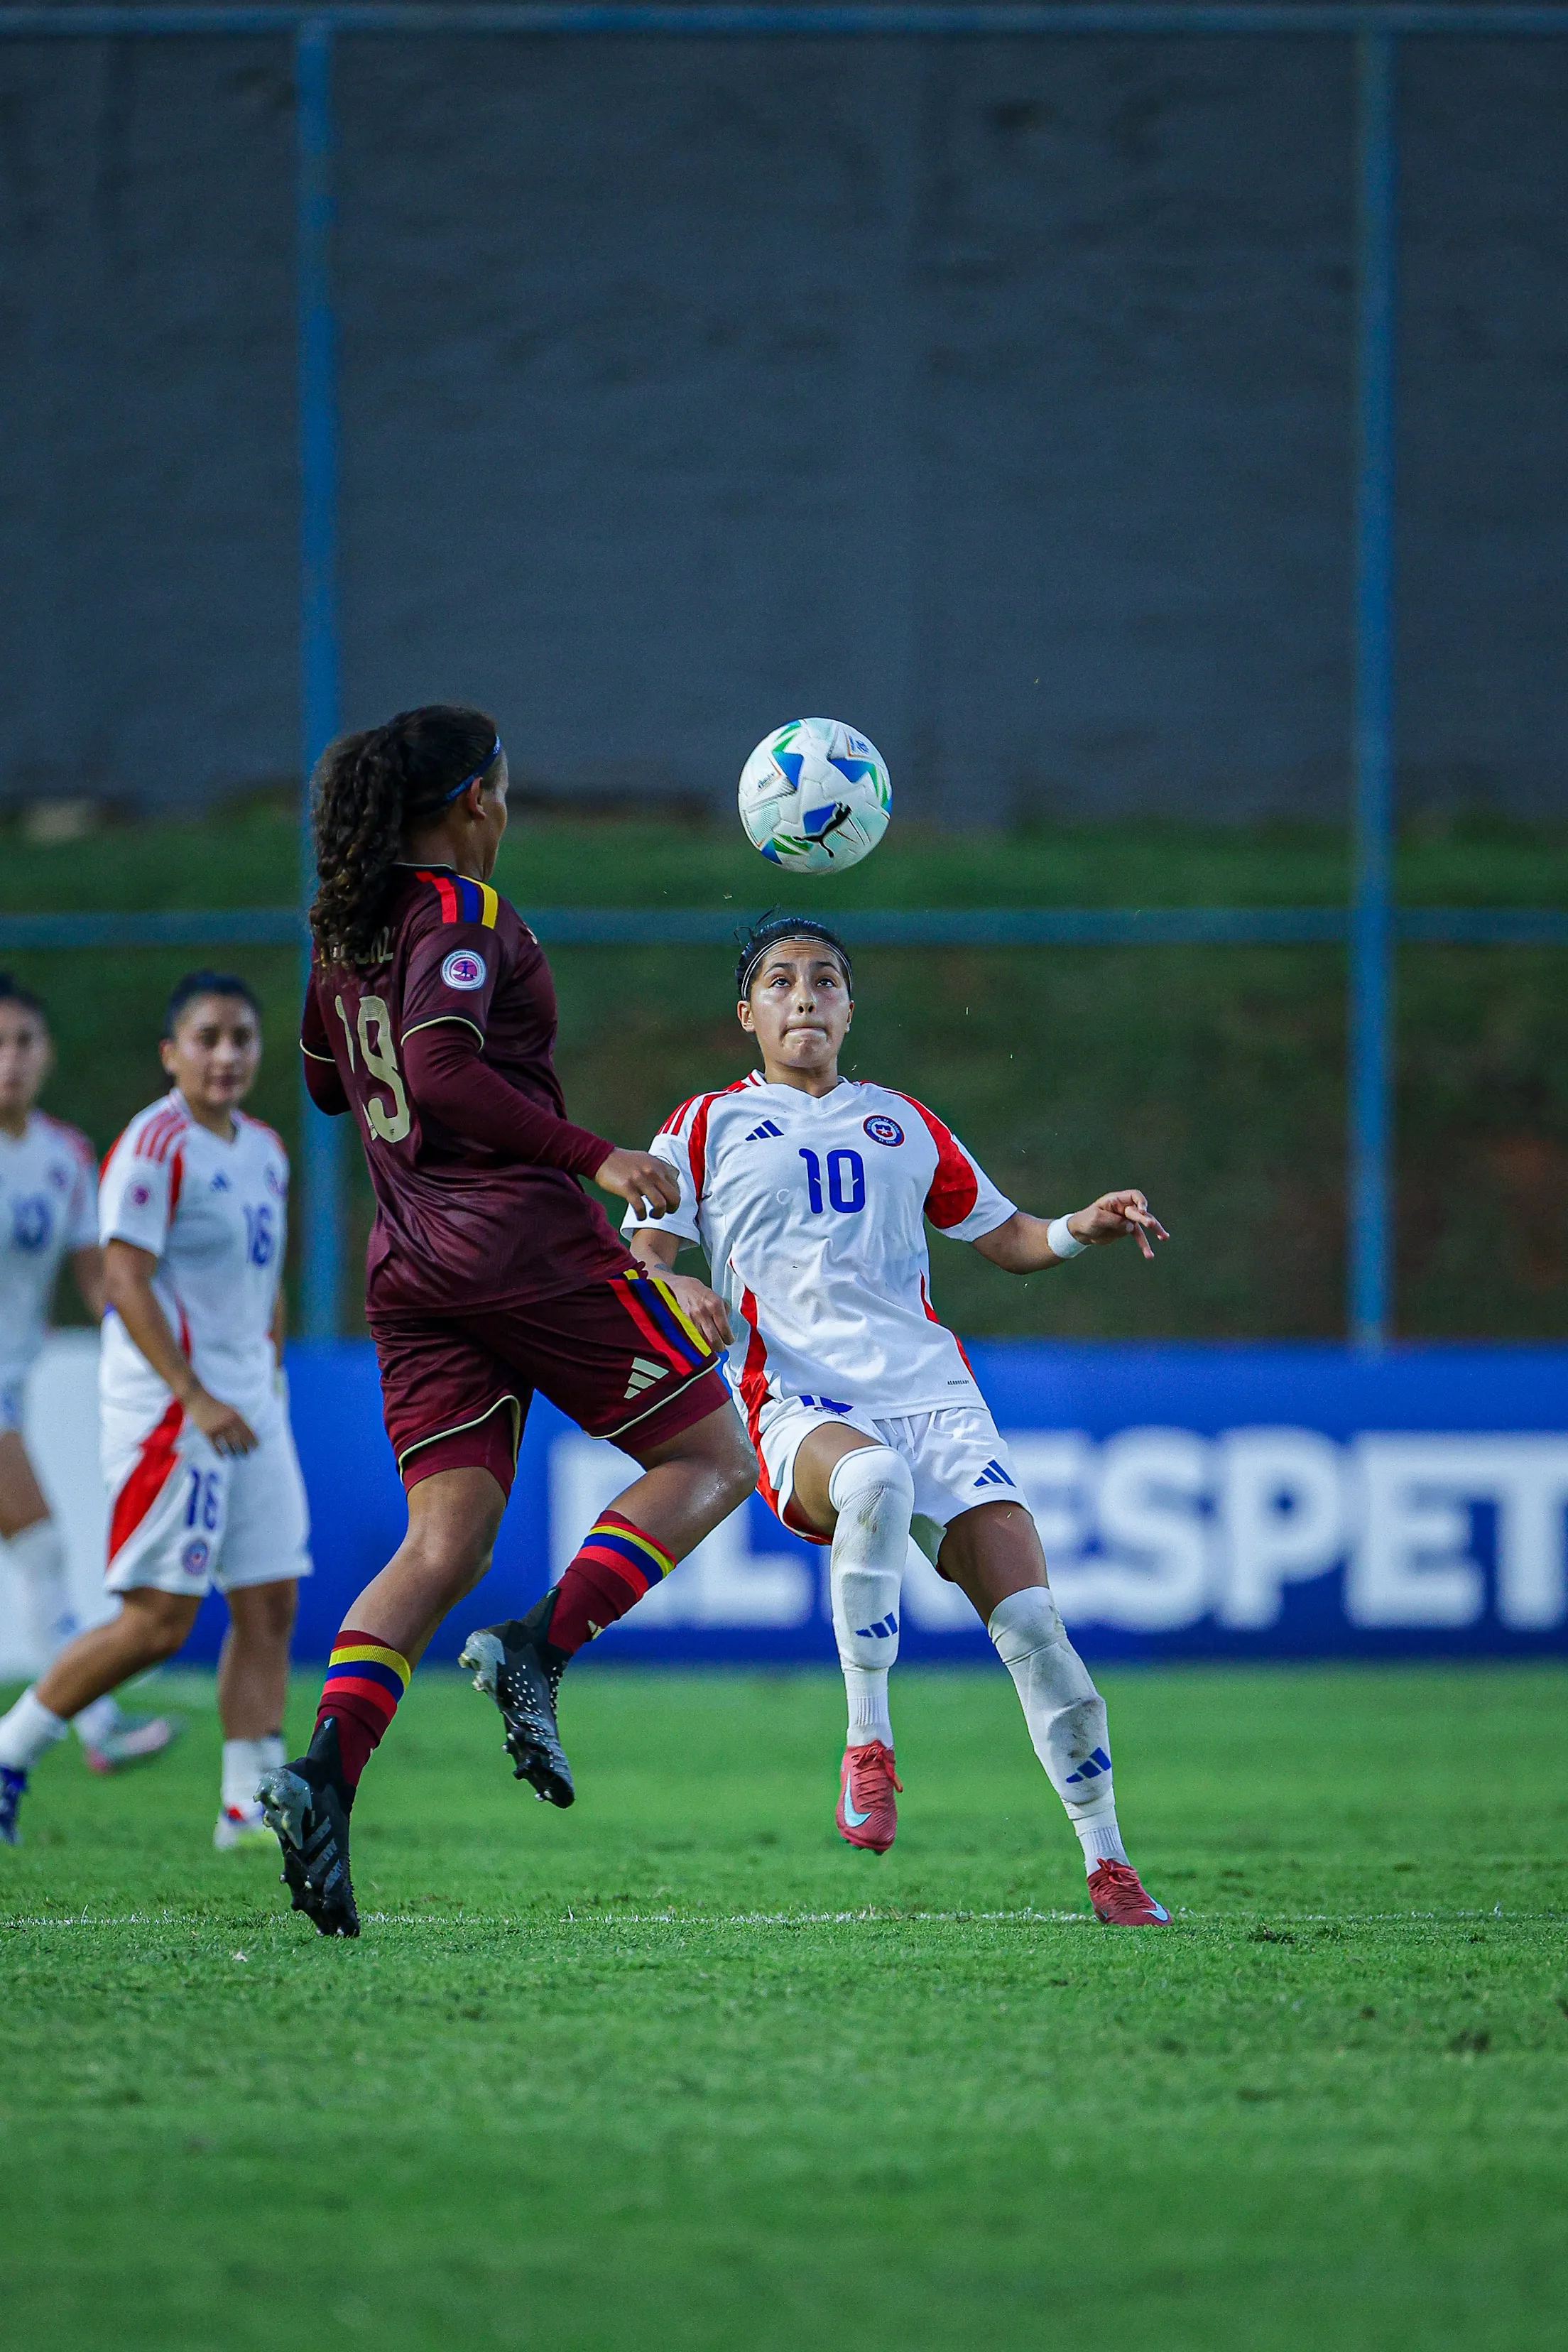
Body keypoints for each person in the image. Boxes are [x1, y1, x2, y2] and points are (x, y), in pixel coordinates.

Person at [262, 702, 754, 1937]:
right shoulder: (464, 916)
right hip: (516, 1246)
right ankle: (540, 1647)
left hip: (410, 1265)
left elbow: (331, 1079)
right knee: (711, 1455)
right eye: (504, 785)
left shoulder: (347, 930)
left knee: (447, 1539)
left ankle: (322, 1773)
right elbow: (435, 1070)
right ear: (474, 800)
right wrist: (594, 1153)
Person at [624, 912, 1174, 1926]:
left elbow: (1005, 1236)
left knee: (1039, 1632)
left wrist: (1080, 1229)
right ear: (746, 1012)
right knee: (873, 1482)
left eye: (825, 980)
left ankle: (1110, 1865)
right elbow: (643, 1256)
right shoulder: (703, 1125)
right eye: (781, 982)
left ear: (848, 1005)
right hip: (798, 1400)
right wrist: (680, 1290)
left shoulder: (904, 1121)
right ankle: (868, 1744)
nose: (805, 997)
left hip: (935, 1397)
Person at [0, 971, 310, 1851]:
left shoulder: (264, 1149)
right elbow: (124, 1280)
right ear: (171, 1053)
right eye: (206, 1038)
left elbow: (262, 1280)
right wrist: (193, 1394)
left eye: (242, 1038)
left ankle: (245, 1807)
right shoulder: (153, 1144)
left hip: (252, 1405)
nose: (226, 1055)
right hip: (177, 1413)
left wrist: (267, 1372)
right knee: (156, 1621)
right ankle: (11, 1749)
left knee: (270, 1605)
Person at [0, 974, 178, 1792]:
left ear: (47, 1054)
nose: (11, 1061)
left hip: (12, 1382)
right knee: (42, 1548)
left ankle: (90, 1724)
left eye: (24, 1043)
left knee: (40, 1550)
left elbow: (98, 1280)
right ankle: (94, 1724)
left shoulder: (66, 1157)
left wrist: (155, 1345)